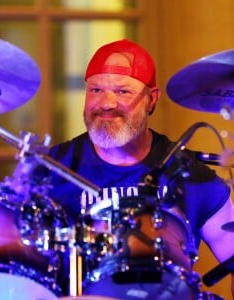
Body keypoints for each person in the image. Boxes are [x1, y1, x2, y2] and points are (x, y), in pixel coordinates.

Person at [47, 39, 234, 299]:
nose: (106, 103)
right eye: (96, 90)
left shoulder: (190, 175)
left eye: (123, 91)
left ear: (151, 99)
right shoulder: (51, 169)